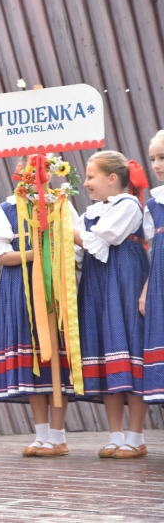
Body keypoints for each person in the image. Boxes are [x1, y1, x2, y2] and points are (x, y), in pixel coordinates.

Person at [0, 157, 77, 457]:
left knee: (55, 360)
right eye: (27, 170)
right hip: (20, 289)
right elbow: (1, 256)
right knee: (33, 361)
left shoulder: (60, 205)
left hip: (55, 288)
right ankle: (41, 435)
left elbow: (76, 251)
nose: (32, 176)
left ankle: (58, 435)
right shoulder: (8, 209)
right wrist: (37, 253)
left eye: (39, 170)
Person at [74, 150, 149, 459]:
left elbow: (104, 240)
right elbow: (80, 251)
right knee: (106, 352)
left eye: (91, 177)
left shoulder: (128, 205)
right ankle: (115, 435)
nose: (86, 184)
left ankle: (136, 436)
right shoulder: (89, 213)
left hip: (124, 279)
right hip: (96, 284)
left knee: (130, 347)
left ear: (112, 179)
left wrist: (65, 230)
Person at [141, 130, 164, 404]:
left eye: (162, 157)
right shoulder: (154, 204)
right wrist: (147, 289)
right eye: (153, 159)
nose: (157, 165)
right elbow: (154, 251)